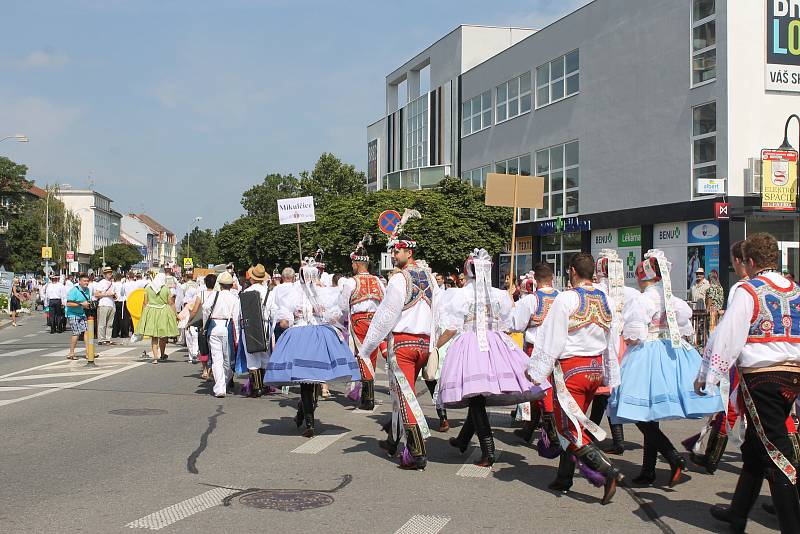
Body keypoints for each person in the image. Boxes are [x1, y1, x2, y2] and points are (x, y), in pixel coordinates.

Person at [697, 233, 800, 533]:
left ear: (751, 262)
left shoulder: (748, 290)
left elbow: (728, 335)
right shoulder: (795, 289)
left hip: (762, 377)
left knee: (775, 451)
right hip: (793, 375)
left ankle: (792, 526)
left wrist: (710, 376)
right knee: (756, 449)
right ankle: (738, 513)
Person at [608, 250, 722, 488]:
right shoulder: (673, 300)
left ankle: (672, 457)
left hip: (646, 355)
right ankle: (648, 470)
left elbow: (635, 334)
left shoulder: (642, 300)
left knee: (639, 413)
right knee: (651, 413)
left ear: (642, 276)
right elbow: (685, 325)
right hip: (672, 355)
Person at [526, 252, 623, 505]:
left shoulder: (567, 298)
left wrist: (536, 371)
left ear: (571, 271)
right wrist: (610, 374)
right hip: (594, 369)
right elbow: (612, 341)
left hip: (572, 371)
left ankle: (607, 471)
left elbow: (552, 338)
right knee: (574, 422)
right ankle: (564, 477)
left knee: (567, 428)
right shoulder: (606, 299)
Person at [440, 249, 548, 466]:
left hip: (470, 344)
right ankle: (463, 440)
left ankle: (488, 450)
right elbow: (508, 323)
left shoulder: (459, 294)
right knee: (476, 395)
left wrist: (437, 345)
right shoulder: (499, 295)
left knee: (476, 397)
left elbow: (452, 325)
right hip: (496, 344)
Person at [358, 209, 439, 470]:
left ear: (409, 252)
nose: (394, 255)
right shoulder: (430, 278)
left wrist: (367, 347)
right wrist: (434, 343)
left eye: (398, 251)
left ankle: (416, 452)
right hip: (424, 344)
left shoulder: (399, 280)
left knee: (405, 397)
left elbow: (385, 317)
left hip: (403, 344)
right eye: (393, 251)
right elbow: (438, 312)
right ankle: (394, 440)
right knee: (399, 394)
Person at [265, 258, 360, 436]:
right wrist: (287, 320)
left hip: (309, 336)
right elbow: (286, 317)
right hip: (310, 335)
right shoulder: (297, 294)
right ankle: (309, 421)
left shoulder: (321, 293)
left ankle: (304, 414)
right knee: (308, 382)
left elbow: (336, 307)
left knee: (311, 381)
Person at [684, 240, 749, 474]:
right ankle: (713, 456)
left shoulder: (743, 289)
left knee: (730, 406)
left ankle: (714, 458)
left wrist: (709, 371)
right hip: (782, 361)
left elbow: (728, 331)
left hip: (745, 359)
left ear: (741, 261)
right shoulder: (780, 286)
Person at [591, 250, 642, 456]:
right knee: (609, 395)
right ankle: (612, 439)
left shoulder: (598, 291)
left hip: (604, 343)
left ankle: (593, 434)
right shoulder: (631, 293)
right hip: (623, 344)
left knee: (603, 394)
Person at [511, 262, 559, 445]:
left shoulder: (531, 300)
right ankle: (529, 429)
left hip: (536, 349)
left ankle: (552, 433)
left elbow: (516, 325)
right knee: (549, 388)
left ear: (536, 280)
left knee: (540, 389)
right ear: (552, 278)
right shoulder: (562, 297)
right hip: (558, 348)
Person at [338, 236, 387, 411]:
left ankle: (368, 398)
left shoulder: (352, 281)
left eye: (352, 263)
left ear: (358, 264)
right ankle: (368, 395)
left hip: (359, 321)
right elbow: (385, 302)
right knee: (371, 356)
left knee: (362, 355)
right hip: (376, 321)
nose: (351, 266)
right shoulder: (378, 281)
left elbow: (343, 305)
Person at [203, 271, 240, 397]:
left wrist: (205, 323)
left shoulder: (215, 295)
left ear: (220, 284)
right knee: (228, 360)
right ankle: (222, 383)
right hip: (227, 327)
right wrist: (238, 336)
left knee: (216, 359)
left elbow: (205, 308)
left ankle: (220, 387)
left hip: (214, 326)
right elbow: (236, 319)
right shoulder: (235, 299)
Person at [238, 264, 271, 397]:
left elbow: (241, 313)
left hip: (251, 325)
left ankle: (256, 388)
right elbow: (273, 312)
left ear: (252, 278)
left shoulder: (246, 292)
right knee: (265, 355)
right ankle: (264, 385)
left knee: (252, 355)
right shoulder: (269, 292)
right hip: (266, 325)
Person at [136, 273, 179, 364]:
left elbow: (145, 302)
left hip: (151, 312)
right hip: (163, 312)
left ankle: (155, 357)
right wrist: (176, 314)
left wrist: (143, 314)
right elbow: (171, 303)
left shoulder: (148, 288)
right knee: (163, 335)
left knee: (154, 336)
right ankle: (162, 354)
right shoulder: (166, 289)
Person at [65, 274, 92, 364]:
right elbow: (68, 303)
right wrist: (81, 304)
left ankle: (89, 352)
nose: (86, 283)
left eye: (87, 281)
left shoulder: (87, 290)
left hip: (82, 313)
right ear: (79, 282)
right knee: (76, 332)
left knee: (86, 331)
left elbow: (87, 301)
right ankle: (71, 352)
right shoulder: (74, 290)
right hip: (72, 314)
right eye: (84, 281)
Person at [94, 267, 116, 345]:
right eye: (108, 272)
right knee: (102, 323)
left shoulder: (112, 283)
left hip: (112, 304)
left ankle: (108, 338)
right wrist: (107, 294)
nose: (110, 273)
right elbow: (96, 294)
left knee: (110, 324)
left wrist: (114, 296)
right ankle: (101, 339)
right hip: (103, 304)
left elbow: (114, 294)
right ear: (104, 274)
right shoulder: (101, 283)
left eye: (110, 272)